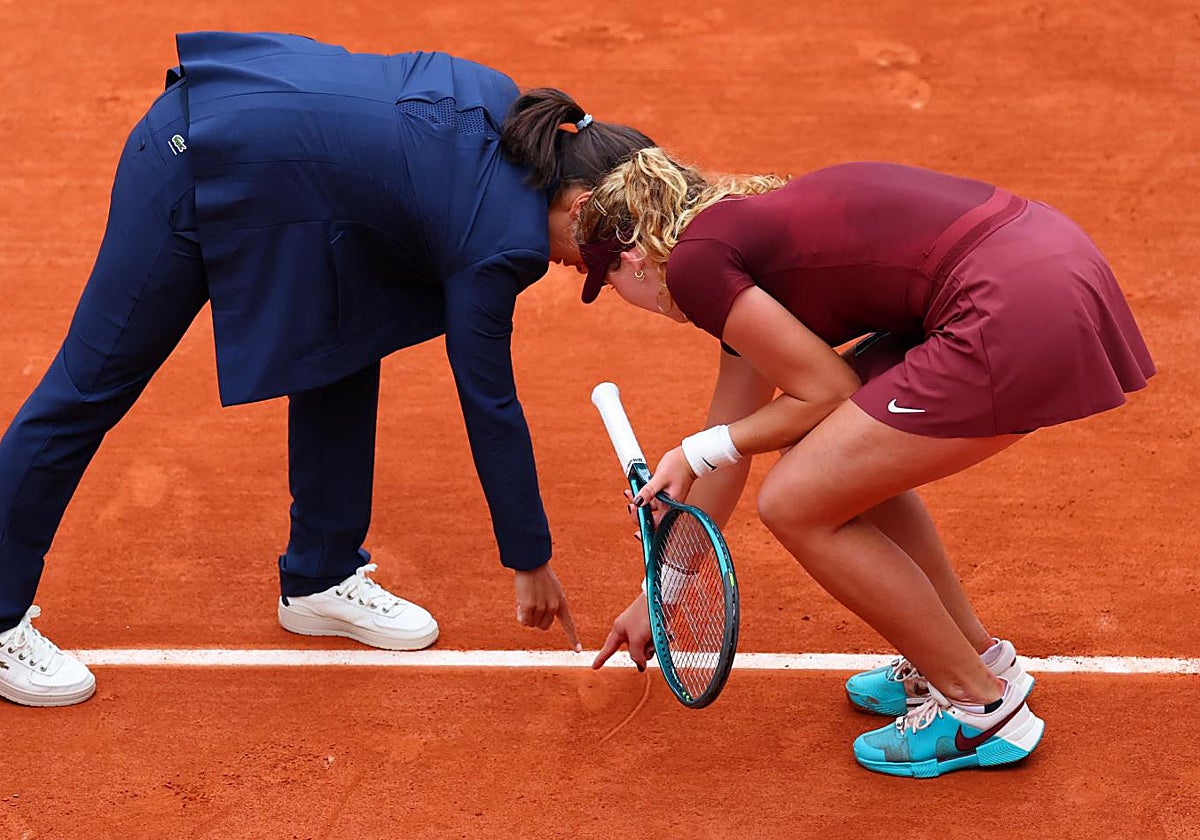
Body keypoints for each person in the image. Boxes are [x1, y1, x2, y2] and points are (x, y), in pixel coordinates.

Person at [0, 31, 656, 708]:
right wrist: (531, 559)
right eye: (596, 262)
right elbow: (489, 400)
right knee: (87, 388)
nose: (582, 273)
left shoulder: (511, 112)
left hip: (292, 182)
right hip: (194, 158)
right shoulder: (501, 242)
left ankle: (320, 572)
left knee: (351, 327)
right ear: (580, 209)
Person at [580, 148, 1154, 777]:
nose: (625, 297)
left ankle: (979, 710)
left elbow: (811, 397)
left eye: (608, 282)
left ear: (633, 258)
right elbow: (728, 438)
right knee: (831, 460)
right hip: (1049, 260)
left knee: (794, 501)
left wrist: (692, 451)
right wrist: (660, 592)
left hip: (1013, 307)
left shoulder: (694, 267)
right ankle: (976, 657)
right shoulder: (734, 242)